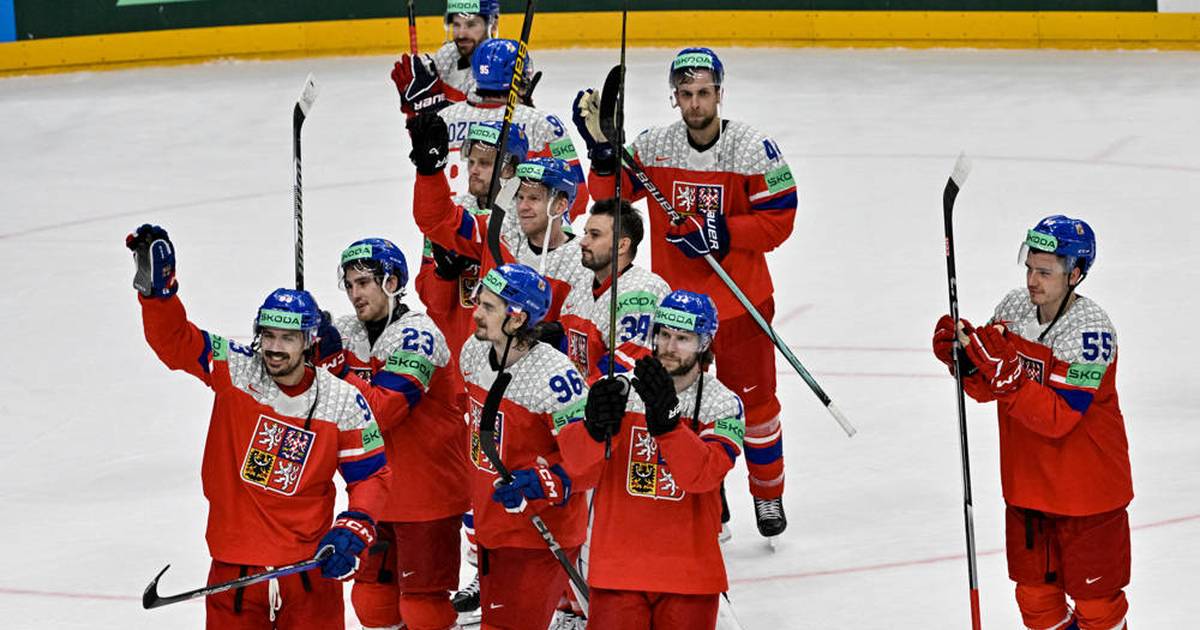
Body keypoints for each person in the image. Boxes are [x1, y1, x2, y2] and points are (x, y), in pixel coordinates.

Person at [578, 47, 798, 538]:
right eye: (686, 94)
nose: (695, 102)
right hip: (675, 314)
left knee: (756, 405)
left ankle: (767, 495)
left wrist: (721, 232)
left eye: (704, 92)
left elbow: (781, 218)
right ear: (674, 97)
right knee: (681, 406)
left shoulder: (754, 148)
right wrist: (603, 152)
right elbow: (610, 195)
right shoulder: (655, 145)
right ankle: (709, 495)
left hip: (741, 304)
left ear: (719, 93)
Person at [126, 224, 391, 628]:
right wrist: (158, 295)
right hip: (234, 576)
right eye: (267, 335)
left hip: (308, 577)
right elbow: (175, 341)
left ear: (309, 340)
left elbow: (370, 475)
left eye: (287, 337)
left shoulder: (341, 400)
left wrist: (355, 527)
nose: (273, 347)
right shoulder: (235, 369)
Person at [932, 215, 1132, 630]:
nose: (1032, 280)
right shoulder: (1014, 309)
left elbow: (1060, 417)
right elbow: (990, 386)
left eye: (1045, 271)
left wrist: (1006, 376)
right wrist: (965, 362)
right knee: (1037, 605)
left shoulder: (1092, 334)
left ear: (1075, 274)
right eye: (1029, 267)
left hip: (1087, 494)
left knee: (1098, 610)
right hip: (1028, 489)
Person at [574, 289, 745, 629]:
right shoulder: (619, 390)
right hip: (617, 569)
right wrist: (592, 429)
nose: (669, 346)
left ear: (705, 342)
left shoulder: (724, 404)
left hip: (689, 575)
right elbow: (578, 472)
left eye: (683, 338)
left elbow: (702, 477)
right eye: (664, 334)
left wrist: (668, 424)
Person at [327, 238, 470, 630]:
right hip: (374, 491)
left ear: (391, 283)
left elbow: (383, 411)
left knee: (424, 608)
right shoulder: (345, 332)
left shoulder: (419, 337)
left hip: (429, 494)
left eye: (364, 283)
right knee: (371, 603)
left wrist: (337, 368)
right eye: (350, 284)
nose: (355, 294)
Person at [459, 263, 593, 630]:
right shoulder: (473, 352)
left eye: (488, 307)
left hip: (538, 533)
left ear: (516, 319)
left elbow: (588, 462)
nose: (476, 313)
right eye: (479, 302)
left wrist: (543, 482)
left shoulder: (555, 378)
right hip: (493, 523)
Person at [432, 38, 587, 215]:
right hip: (510, 238)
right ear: (521, 78)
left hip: (447, 233)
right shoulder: (541, 123)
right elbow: (576, 196)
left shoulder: (444, 118)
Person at [559, 198, 671, 384]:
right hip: (583, 402)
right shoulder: (583, 283)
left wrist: (581, 396)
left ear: (622, 245)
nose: (583, 242)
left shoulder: (644, 291)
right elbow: (568, 346)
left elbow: (629, 363)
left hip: (621, 406)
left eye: (594, 235)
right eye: (585, 233)